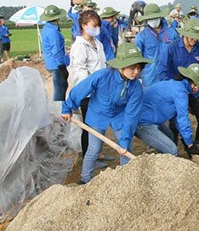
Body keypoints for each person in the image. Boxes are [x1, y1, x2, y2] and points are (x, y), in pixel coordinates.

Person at [61, 43, 152, 184]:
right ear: (122, 66)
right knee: (94, 148)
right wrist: (67, 108)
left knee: (126, 146)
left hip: (118, 115)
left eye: (139, 68)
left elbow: (131, 115)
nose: (136, 71)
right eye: (132, 67)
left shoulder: (136, 88)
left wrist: (124, 140)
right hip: (97, 113)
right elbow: (81, 89)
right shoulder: (103, 75)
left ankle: (125, 180)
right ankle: (85, 180)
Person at [158, 19, 199, 144]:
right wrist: (169, 88)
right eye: (192, 37)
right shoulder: (171, 48)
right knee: (175, 122)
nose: (195, 40)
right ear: (185, 33)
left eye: (197, 37)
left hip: (194, 90)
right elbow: (162, 70)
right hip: (176, 91)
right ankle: (174, 146)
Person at [136, 64, 199, 157]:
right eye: (198, 85)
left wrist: (187, 140)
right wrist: (190, 145)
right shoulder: (180, 92)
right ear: (193, 83)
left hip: (151, 120)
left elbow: (177, 117)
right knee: (172, 150)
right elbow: (182, 118)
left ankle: (160, 158)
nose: (198, 89)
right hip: (142, 124)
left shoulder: (175, 85)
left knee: (170, 136)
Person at [68, 10, 110, 169]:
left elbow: (102, 65)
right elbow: (79, 70)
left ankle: (96, 153)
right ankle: (89, 157)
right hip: (88, 93)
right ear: (84, 26)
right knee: (89, 126)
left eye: (98, 25)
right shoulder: (79, 46)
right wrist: (92, 85)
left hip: (101, 91)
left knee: (98, 125)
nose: (97, 28)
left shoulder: (97, 44)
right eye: (94, 25)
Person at [135, 3, 178, 87]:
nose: (153, 20)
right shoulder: (141, 37)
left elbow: (178, 54)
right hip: (150, 78)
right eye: (151, 18)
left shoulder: (172, 33)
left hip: (169, 77)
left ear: (160, 17)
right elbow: (138, 59)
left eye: (155, 18)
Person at [40, 5, 70, 101]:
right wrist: (61, 66)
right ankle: (59, 110)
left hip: (51, 62)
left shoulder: (46, 28)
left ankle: (60, 108)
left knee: (62, 85)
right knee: (60, 87)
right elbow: (56, 51)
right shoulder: (53, 32)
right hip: (57, 64)